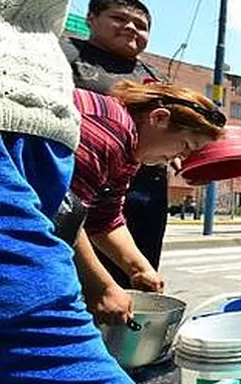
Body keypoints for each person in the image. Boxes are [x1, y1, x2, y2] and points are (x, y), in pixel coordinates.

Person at [0, 0, 150, 384]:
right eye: (181, 149)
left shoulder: (129, 131)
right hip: (27, 152)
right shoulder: (102, 123)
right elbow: (69, 217)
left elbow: (102, 212)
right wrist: (103, 283)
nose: (179, 162)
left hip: (43, 161)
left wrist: (133, 267)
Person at [71, 82, 225, 325]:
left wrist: (139, 268)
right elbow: (60, 213)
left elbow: (104, 218)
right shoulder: (109, 131)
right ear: (159, 118)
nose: (181, 158)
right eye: (185, 146)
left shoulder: (130, 150)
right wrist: (100, 286)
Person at [61, 0, 171, 296]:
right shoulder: (65, 53)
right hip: (79, 179)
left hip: (145, 189)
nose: (132, 28)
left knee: (139, 267)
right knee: (77, 267)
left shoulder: (154, 75)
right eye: (120, 19)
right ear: (91, 19)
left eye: (141, 24)